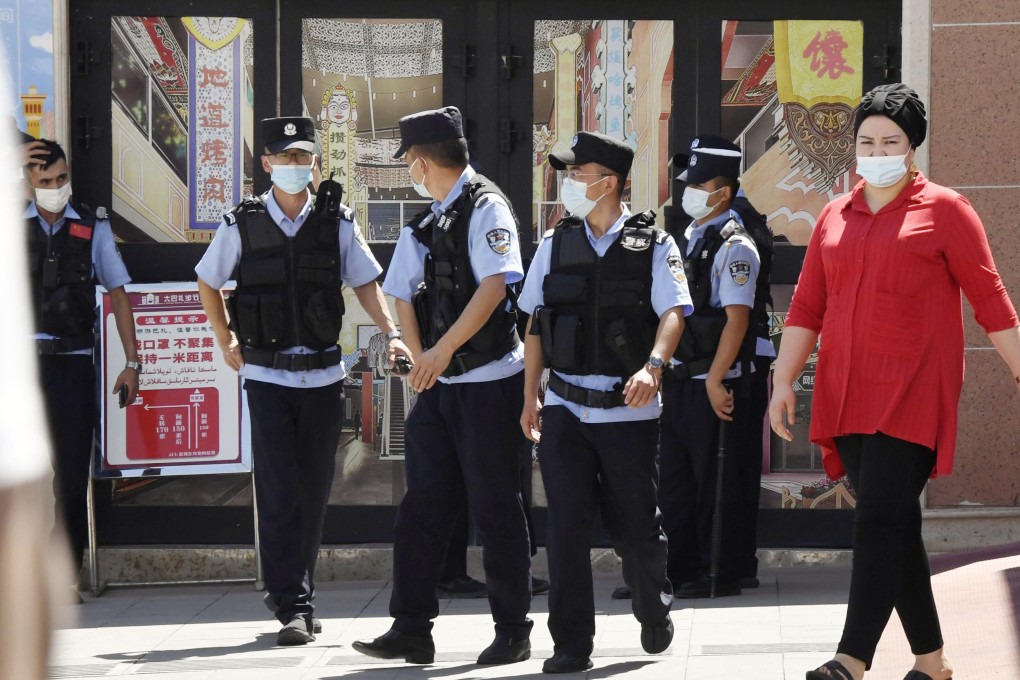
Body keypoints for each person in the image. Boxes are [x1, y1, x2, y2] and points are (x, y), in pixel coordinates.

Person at [769, 83, 1020, 680]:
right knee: (896, 523)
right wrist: (783, 381)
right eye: (867, 139)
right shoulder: (835, 213)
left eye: (891, 140)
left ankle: (851, 659)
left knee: (876, 518)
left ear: (911, 148)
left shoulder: (946, 209)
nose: (876, 149)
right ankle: (932, 664)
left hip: (914, 391)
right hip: (845, 389)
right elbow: (807, 304)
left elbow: (991, 299)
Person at [197, 116, 410, 646]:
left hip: (320, 377)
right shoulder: (241, 223)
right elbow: (207, 280)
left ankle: (300, 594)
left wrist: (393, 334)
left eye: (304, 158)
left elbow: (366, 283)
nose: (296, 167)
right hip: (267, 377)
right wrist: (226, 339)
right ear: (266, 163)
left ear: (315, 162)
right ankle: (292, 602)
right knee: (277, 488)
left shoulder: (336, 223)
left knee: (314, 490)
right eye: (285, 158)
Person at [352, 106, 533, 666]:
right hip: (438, 390)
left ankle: (512, 630)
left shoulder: (487, 207)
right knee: (422, 509)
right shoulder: (427, 221)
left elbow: (497, 286)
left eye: (409, 161)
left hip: (488, 386)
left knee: (497, 508)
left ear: (423, 161)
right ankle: (411, 628)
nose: (410, 169)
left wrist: (442, 350)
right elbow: (401, 290)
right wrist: (415, 354)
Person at [519, 131, 690, 673]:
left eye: (578, 174)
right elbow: (535, 325)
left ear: (610, 182)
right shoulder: (554, 243)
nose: (569, 184)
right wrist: (529, 394)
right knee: (564, 528)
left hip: (628, 413)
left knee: (634, 526)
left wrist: (654, 366)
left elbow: (673, 313)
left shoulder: (655, 245)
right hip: (566, 409)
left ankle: (651, 603)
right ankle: (571, 644)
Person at [657, 135, 772, 599]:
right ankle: (679, 566)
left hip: (717, 380)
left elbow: (737, 319)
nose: (689, 192)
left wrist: (718, 379)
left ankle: (719, 569)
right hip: (686, 377)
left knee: (717, 483)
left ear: (722, 193)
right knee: (679, 481)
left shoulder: (735, 245)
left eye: (698, 185)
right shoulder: (691, 235)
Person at [23, 140, 140, 586]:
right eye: (45, 181)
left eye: (61, 179)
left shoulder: (92, 229)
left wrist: (133, 362)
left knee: (70, 475)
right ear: (29, 181)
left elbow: (118, 293)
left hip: (71, 365)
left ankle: (66, 574)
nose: (56, 188)